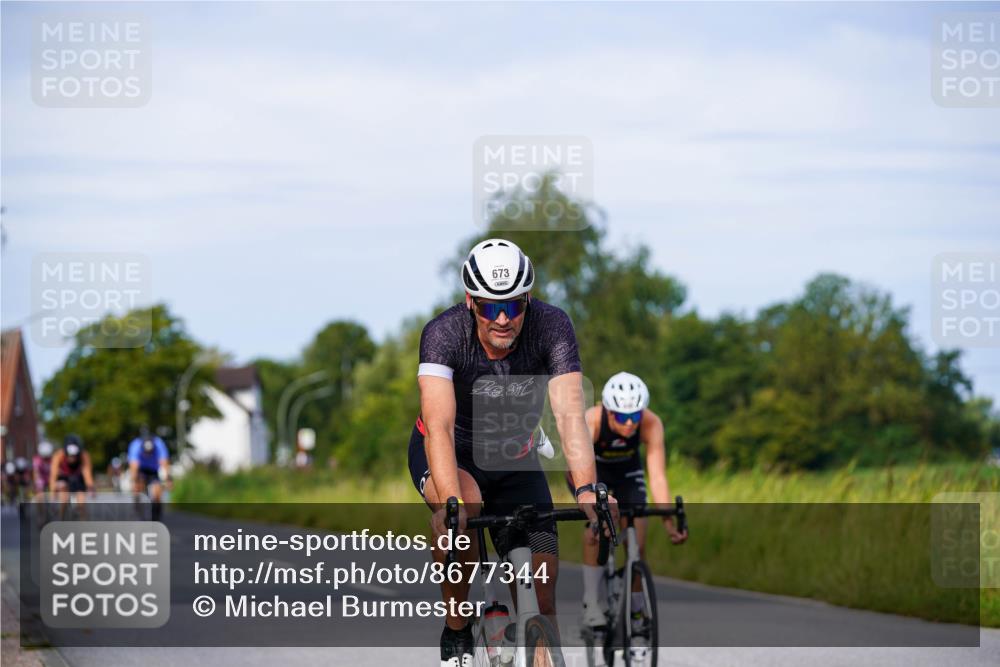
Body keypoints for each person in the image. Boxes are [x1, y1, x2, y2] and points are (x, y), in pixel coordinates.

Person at [409, 238, 616, 667]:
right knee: (463, 512)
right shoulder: (443, 334)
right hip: (453, 453)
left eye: (513, 306)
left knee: (543, 584)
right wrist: (450, 502)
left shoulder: (552, 326)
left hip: (515, 454)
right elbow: (440, 428)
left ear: (528, 298)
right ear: (470, 301)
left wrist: (587, 488)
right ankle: (457, 629)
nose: (502, 319)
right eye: (489, 307)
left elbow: (570, 416)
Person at [572, 372, 688, 635]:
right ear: (608, 411)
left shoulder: (651, 423)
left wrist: (668, 521)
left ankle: (636, 608)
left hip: (627, 473)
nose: (629, 424)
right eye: (622, 417)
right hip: (593, 472)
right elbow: (578, 467)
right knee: (595, 530)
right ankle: (592, 602)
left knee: (638, 541)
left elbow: (657, 476)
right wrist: (590, 500)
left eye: (634, 416)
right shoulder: (591, 421)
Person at [127, 426, 171, 520]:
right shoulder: (135, 445)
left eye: (150, 452)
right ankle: (138, 510)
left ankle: (156, 515)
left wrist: (168, 479)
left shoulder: (159, 443)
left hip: (153, 469)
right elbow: (133, 467)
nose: (148, 454)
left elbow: (164, 462)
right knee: (137, 489)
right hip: (141, 469)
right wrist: (134, 482)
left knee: (157, 492)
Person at [49, 434, 95, 517]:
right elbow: (53, 475)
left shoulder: (84, 455)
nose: (72, 459)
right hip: (64, 477)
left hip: (77, 477)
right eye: (70, 456)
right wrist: (53, 492)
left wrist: (90, 487)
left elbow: (87, 472)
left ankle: (83, 524)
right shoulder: (58, 455)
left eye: (74, 456)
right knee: (64, 497)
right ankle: (61, 519)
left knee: (81, 502)